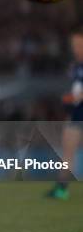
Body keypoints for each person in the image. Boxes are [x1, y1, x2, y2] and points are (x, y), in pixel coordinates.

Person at [47, 28, 83, 199]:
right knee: (68, 149)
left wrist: (73, 97)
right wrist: (70, 100)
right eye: (74, 44)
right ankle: (62, 189)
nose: (76, 48)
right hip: (77, 113)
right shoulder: (75, 66)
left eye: (79, 44)